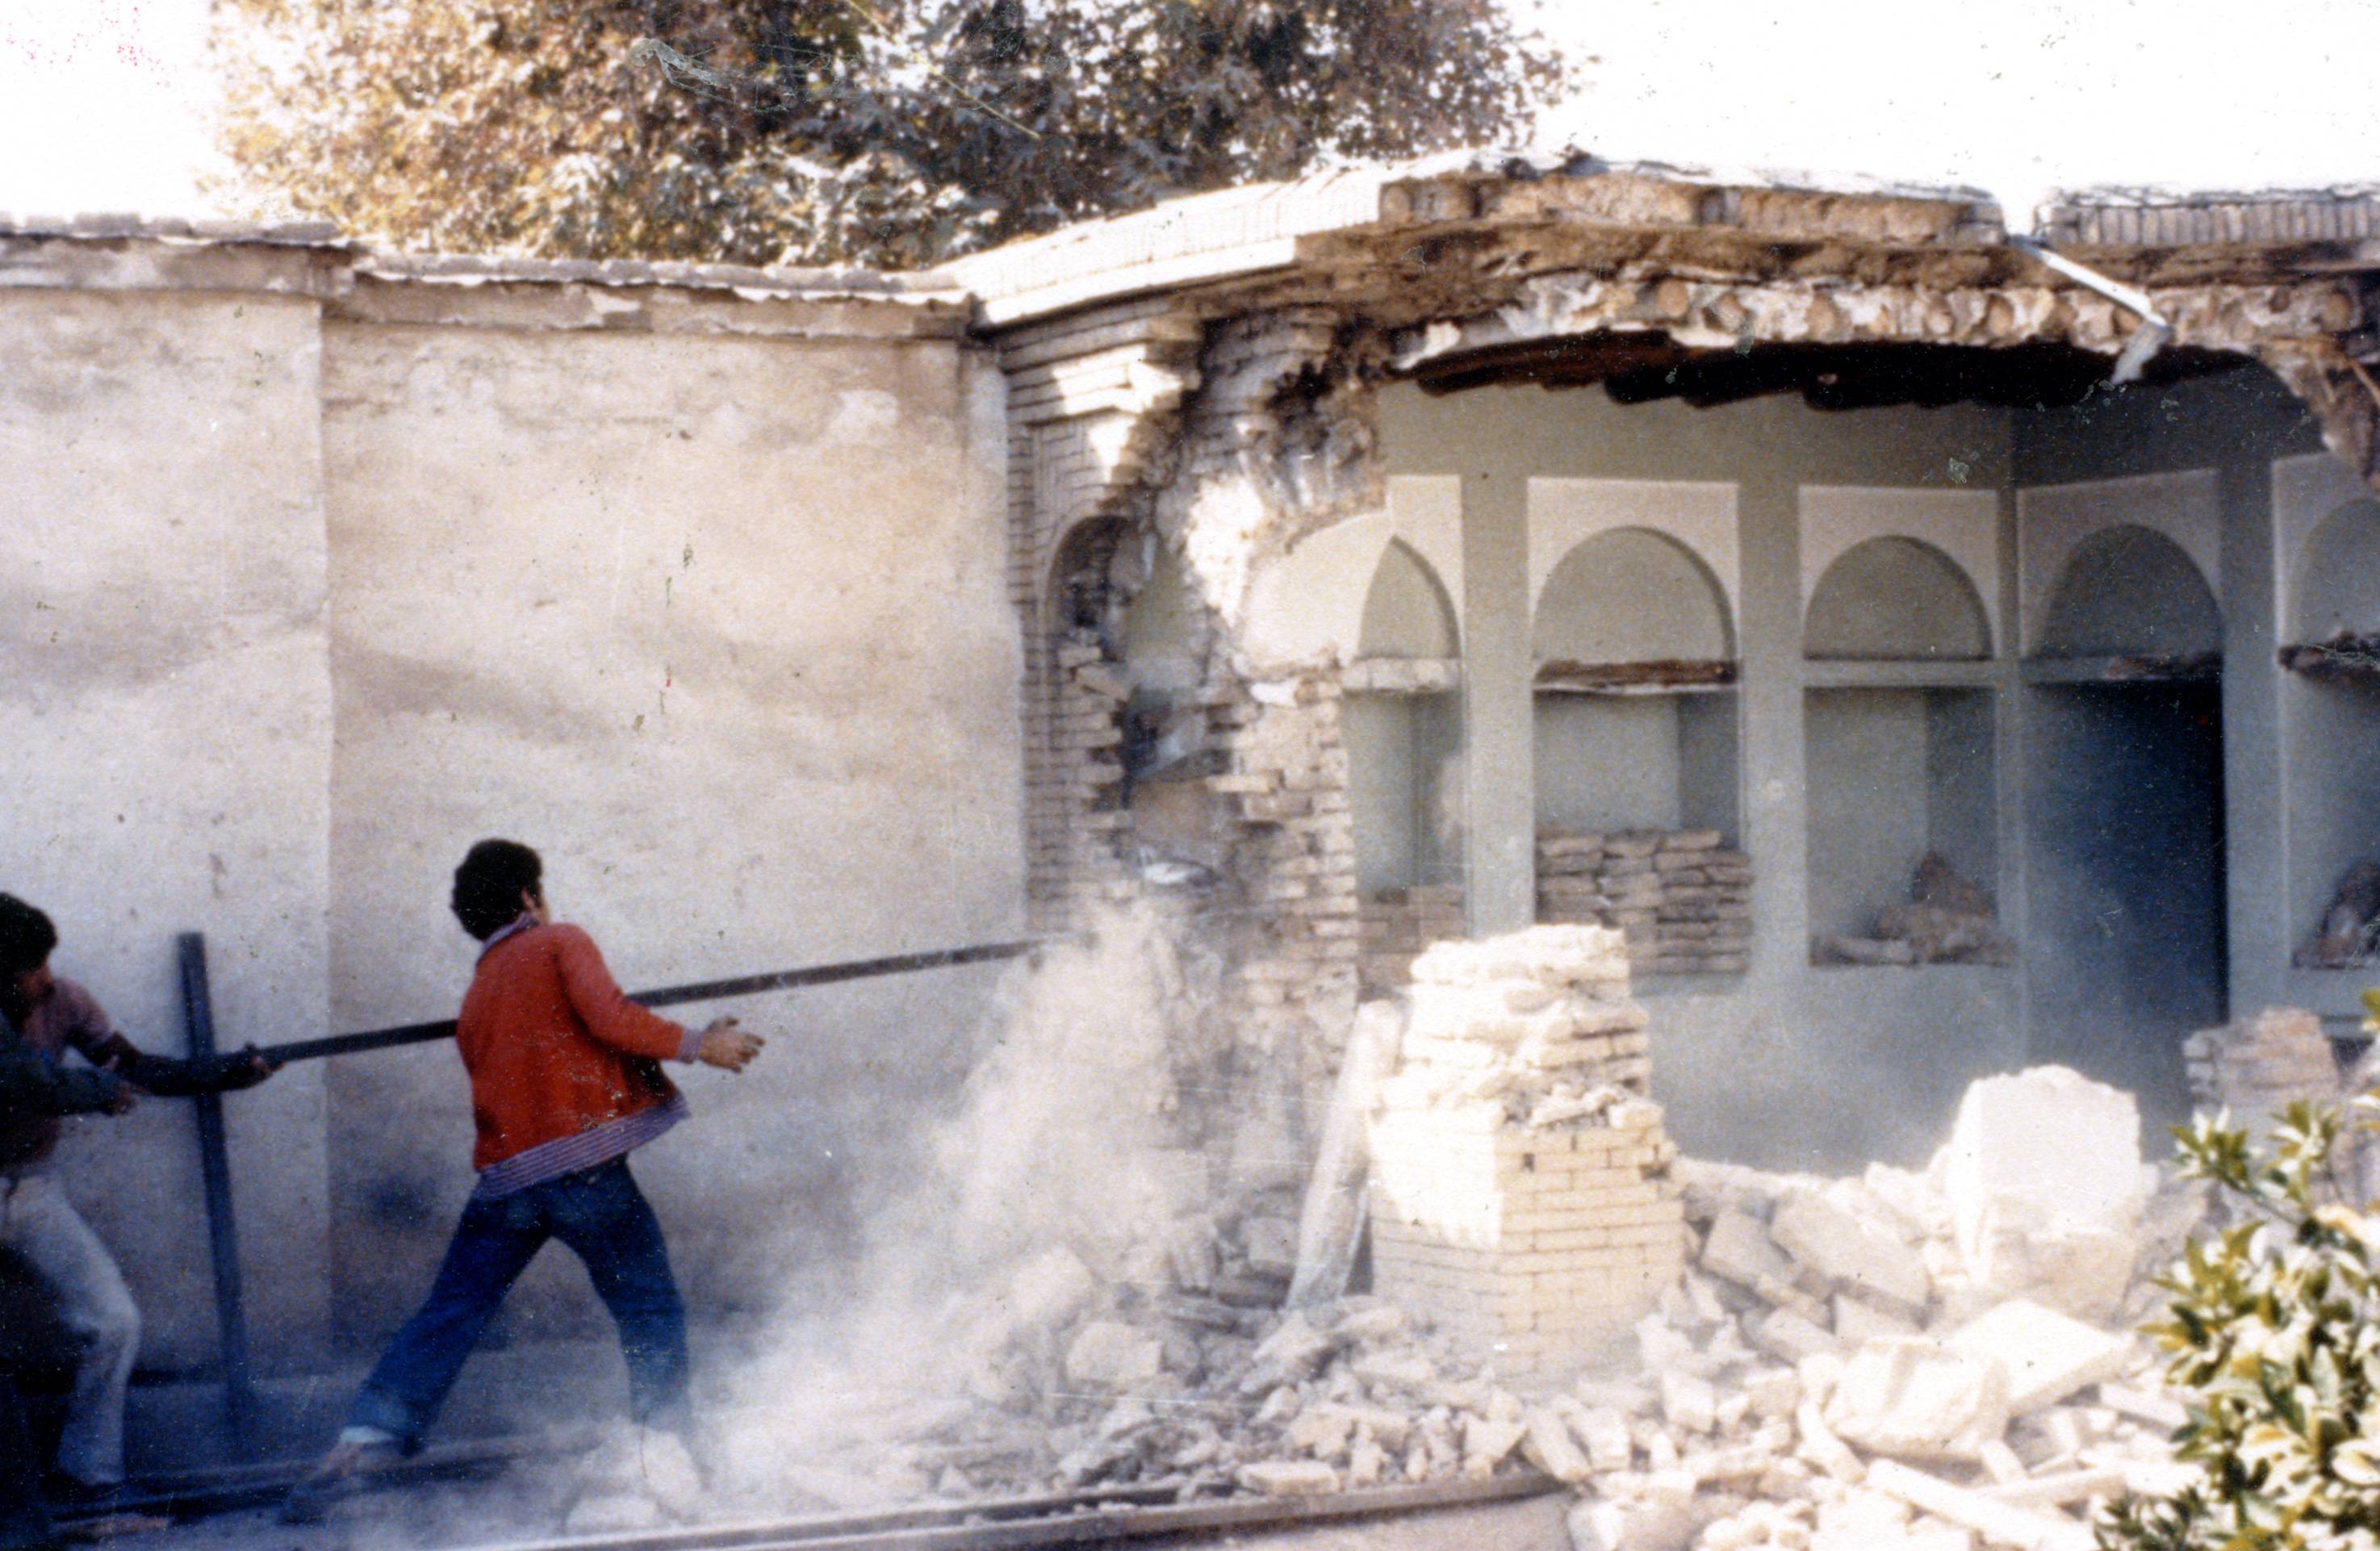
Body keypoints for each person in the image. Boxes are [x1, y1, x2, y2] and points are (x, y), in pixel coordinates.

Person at [284, 840, 763, 1522]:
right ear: (529, 899)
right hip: (587, 1174)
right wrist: (697, 1043)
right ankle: (669, 1453)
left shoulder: (478, 994)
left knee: (448, 1315)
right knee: (649, 1310)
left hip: (507, 1186)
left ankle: (353, 1451)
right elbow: (609, 1017)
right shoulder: (560, 941)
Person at [0, 894, 274, 1514]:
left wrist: (225, 1071)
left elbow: (135, 1068)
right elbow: (21, 1080)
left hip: (35, 1188)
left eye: (44, 961)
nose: (43, 978)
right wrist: (94, 1092)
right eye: (26, 967)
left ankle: (88, 1477)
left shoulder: (62, 999)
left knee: (114, 1321)